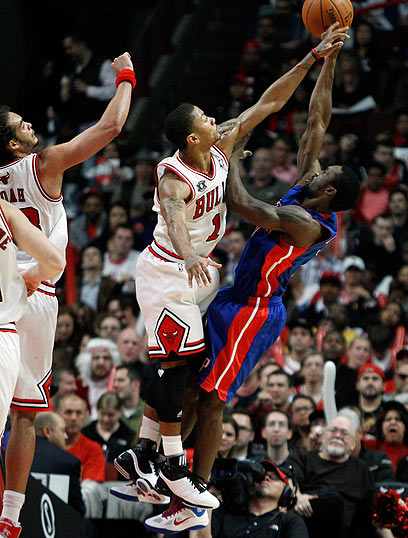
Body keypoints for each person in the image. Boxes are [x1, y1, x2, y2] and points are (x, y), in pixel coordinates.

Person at [114, 23, 350, 517]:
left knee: (201, 389)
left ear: (329, 191)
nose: (320, 165)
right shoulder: (182, 173)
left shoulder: (306, 221)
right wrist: (321, 59)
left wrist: (231, 160)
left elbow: (246, 185)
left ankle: (172, 476)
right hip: (188, 275)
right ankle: (160, 465)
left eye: (326, 171)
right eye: (205, 118)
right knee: (183, 375)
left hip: (253, 306)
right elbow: (313, 118)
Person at [0, 51, 134, 536]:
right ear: (14, 144)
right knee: (24, 415)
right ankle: (11, 517)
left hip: (2, 290)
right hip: (36, 291)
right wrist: (125, 76)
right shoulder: (44, 164)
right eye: (22, 124)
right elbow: (110, 126)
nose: (31, 124)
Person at [0, 200, 65, 536]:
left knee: (22, 415)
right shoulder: (8, 209)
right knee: (22, 415)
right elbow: (55, 261)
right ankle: (10, 516)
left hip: (18, 308)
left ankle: (10, 515)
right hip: (22, 307)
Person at [287, 414, 376, 538]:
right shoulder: (303, 458)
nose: (338, 435)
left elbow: (371, 514)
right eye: (333, 430)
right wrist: (297, 497)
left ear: (353, 444)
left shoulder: (361, 469)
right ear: (324, 436)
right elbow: (286, 477)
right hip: (305, 521)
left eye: (345, 433)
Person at [32, 412, 85, 516]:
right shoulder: (68, 462)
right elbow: (77, 510)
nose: (66, 436)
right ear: (47, 431)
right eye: (63, 430)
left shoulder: (11, 456)